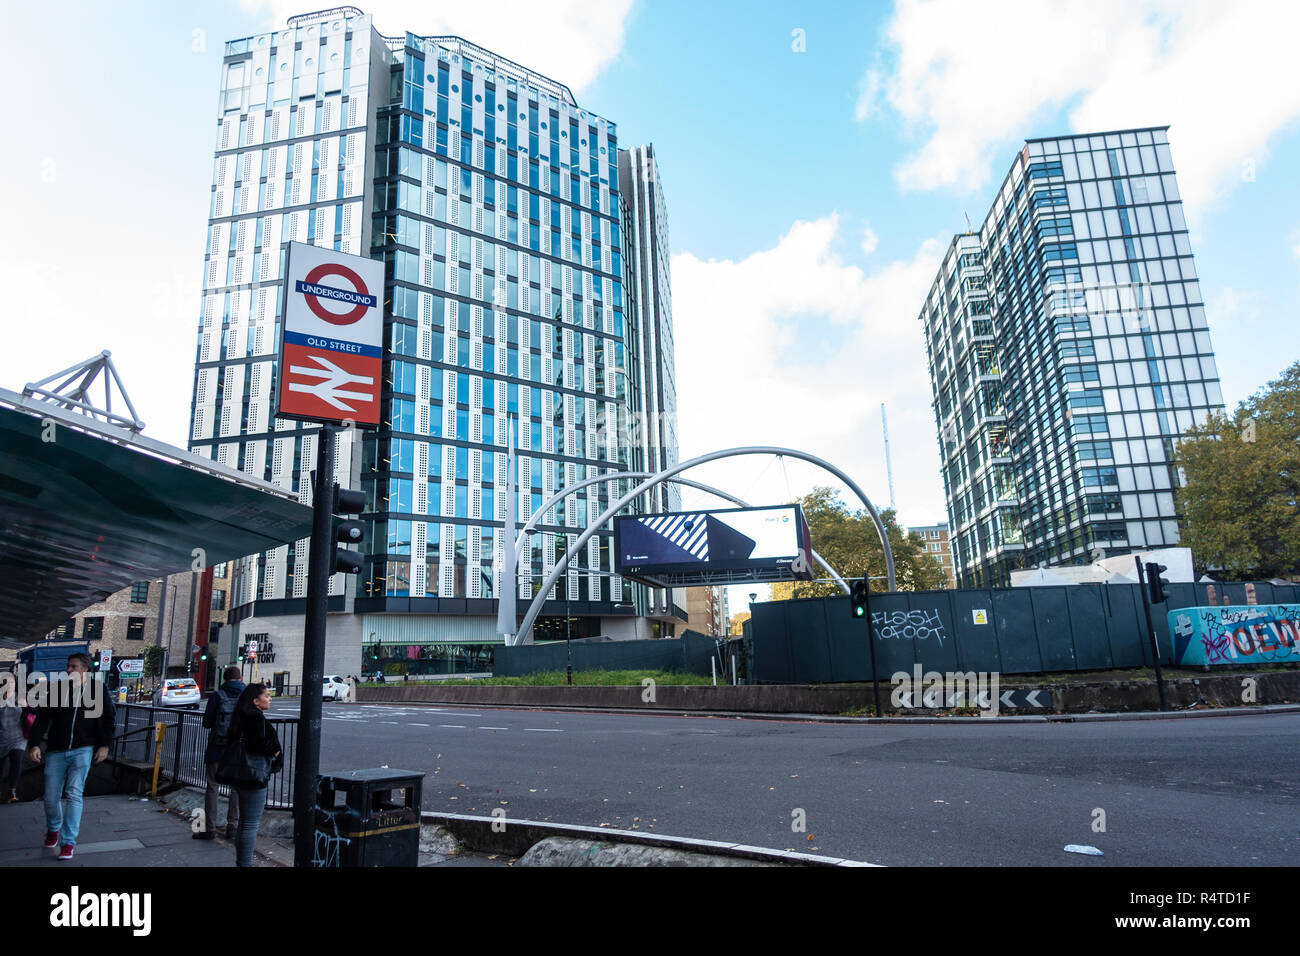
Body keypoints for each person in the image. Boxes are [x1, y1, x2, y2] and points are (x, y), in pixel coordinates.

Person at [27, 653, 116, 860]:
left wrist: (104, 745)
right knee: (50, 797)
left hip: (83, 749)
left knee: (74, 793)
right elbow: (42, 719)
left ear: (85, 669)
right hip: (57, 750)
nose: (69, 670)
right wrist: (34, 745)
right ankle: (53, 828)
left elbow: (108, 718)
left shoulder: (97, 689)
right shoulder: (58, 689)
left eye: (73, 666)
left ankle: (68, 842)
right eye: (68, 666)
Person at [225, 683, 281, 867]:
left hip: (241, 773)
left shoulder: (241, 716)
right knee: (250, 824)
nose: (269, 698)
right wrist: (275, 751)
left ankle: (242, 862)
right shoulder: (254, 718)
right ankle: (245, 863)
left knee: (245, 822)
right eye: (266, 696)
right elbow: (257, 744)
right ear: (256, 701)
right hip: (253, 775)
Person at [196, 665, 245, 840]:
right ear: (240, 679)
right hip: (238, 748)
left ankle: (209, 829)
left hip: (217, 747)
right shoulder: (247, 695)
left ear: (224, 679)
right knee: (236, 788)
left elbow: (207, 723)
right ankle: (232, 827)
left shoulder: (217, 695)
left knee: (212, 786)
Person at [1, 678, 25, 803]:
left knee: (16, 759)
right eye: (6, 683)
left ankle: (12, 790)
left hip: (18, 737)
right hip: (2, 737)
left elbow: (35, 712)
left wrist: (26, 705)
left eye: (12, 683)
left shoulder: (20, 698)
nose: (9, 685)